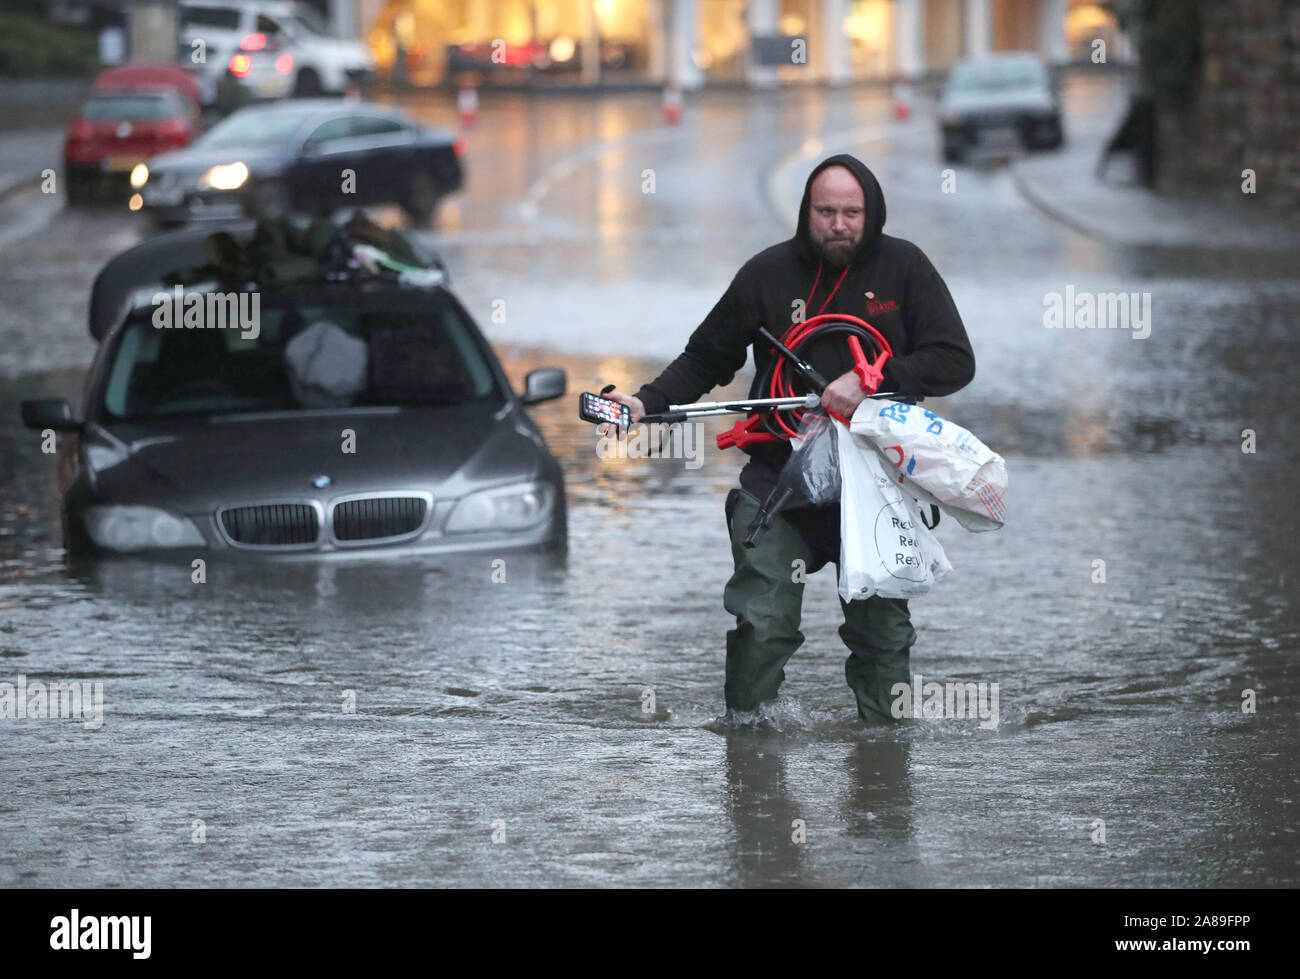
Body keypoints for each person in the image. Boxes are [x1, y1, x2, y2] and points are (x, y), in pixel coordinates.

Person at [601, 154, 975, 723]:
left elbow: (955, 360)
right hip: (778, 480)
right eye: (826, 212)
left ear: (871, 213)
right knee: (762, 620)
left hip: (874, 485)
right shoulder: (766, 274)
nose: (840, 224)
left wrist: (873, 378)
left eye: (852, 212)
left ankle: (884, 764)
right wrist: (642, 402)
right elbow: (707, 356)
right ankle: (746, 748)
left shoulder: (906, 267)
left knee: (883, 637)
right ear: (806, 212)